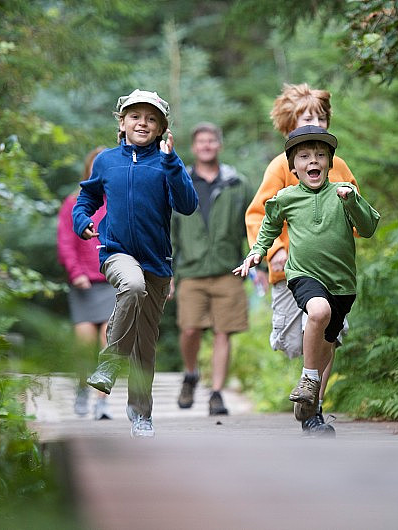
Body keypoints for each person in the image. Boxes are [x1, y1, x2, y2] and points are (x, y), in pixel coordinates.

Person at [234, 125, 380, 437]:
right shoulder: (285, 198)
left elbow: (368, 228)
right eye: (304, 156)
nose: (312, 161)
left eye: (319, 155)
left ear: (329, 162)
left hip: (342, 283)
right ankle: (309, 380)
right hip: (303, 275)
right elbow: (269, 226)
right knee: (318, 312)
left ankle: (310, 403)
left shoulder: (343, 193)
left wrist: (352, 201)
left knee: (329, 342)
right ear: (294, 166)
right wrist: (257, 252)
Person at [72, 89, 198, 438]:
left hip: (157, 261)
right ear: (123, 122)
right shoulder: (107, 161)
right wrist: (81, 219)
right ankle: (110, 361)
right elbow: (87, 197)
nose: (143, 123)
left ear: (161, 128)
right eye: (136, 116)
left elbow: (187, 205)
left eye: (151, 118)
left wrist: (173, 163)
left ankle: (140, 414)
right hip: (115, 251)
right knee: (131, 284)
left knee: (145, 345)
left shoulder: (166, 163)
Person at [170, 122, 251, 415]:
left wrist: (261, 264)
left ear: (219, 145)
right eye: (201, 141)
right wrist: (167, 272)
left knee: (223, 332)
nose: (206, 146)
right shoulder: (179, 182)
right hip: (190, 270)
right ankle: (191, 373)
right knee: (190, 329)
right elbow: (169, 230)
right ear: (194, 147)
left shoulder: (237, 184)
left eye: (211, 140)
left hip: (228, 269)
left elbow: (254, 225)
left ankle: (216, 393)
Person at [57, 146, 116, 420]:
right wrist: (75, 272)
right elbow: (66, 243)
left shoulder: (118, 200)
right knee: (83, 344)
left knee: (110, 341)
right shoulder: (73, 202)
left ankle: (102, 401)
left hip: (111, 281)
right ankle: (82, 388)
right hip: (83, 286)